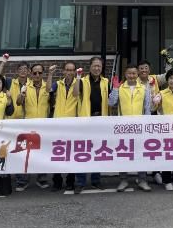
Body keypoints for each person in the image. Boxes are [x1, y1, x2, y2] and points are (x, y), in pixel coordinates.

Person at [75, 56, 118, 193]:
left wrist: (116, 88)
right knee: (83, 151)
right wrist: (77, 78)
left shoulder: (106, 82)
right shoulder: (82, 81)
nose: (97, 68)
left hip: (101, 120)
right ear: (90, 67)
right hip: (85, 120)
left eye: (99, 66)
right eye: (94, 65)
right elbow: (75, 94)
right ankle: (80, 182)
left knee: (98, 151)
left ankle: (96, 180)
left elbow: (111, 101)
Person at [14, 63, 55, 191]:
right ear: (30, 74)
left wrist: (50, 74)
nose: (37, 75)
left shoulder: (47, 87)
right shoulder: (26, 86)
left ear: (43, 74)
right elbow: (18, 103)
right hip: (28, 124)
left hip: (43, 125)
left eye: (40, 73)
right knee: (25, 153)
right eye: (35, 73)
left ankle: (41, 178)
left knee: (42, 153)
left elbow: (52, 102)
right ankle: (22, 180)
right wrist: (21, 95)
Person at [114, 64, 152, 192]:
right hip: (123, 127)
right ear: (125, 75)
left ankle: (142, 180)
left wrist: (146, 125)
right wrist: (115, 89)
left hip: (139, 127)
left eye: (134, 73)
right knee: (123, 154)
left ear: (137, 74)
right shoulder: (120, 88)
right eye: (129, 73)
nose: (131, 76)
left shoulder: (144, 88)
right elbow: (111, 102)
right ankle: (123, 180)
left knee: (141, 154)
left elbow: (147, 108)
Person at [153, 68, 173, 191]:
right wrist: (155, 100)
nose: (172, 81)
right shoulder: (162, 93)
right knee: (167, 155)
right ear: (167, 80)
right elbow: (154, 107)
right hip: (166, 130)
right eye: (170, 78)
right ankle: (167, 180)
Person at [50, 61, 81, 192]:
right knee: (57, 153)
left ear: (74, 71)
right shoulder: (58, 84)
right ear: (63, 71)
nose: (69, 72)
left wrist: (77, 78)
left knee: (71, 153)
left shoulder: (79, 82)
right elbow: (48, 89)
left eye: (71, 70)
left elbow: (76, 94)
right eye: (67, 70)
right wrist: (50, 74)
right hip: (58, 123)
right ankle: (57, 181)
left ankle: (70, 181)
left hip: (72, 124)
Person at [0, 55, 30, 120]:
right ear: (17, 71)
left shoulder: (32, 84)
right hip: (10, 119)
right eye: (20, 69)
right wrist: (3, 62)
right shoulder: (10, 82)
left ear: (28, 71)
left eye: (25, 69)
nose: (23, 71)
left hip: (26, 119)